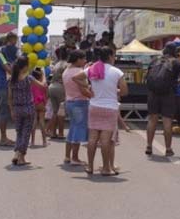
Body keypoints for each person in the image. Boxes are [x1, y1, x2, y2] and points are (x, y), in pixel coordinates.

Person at [76, 47, 127, 176]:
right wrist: (115, 91)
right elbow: (125, 91)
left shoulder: (92, 69)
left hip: (94, 107)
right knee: (105, 140)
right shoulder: (117, 72)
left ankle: (90, 167)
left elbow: (76, 78)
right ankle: (105, 168)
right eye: (114, 56)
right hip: (110, 108)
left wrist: (88, 90)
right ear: (110, 56)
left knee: (92, 139)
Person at [144, 43, 180, 157]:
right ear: (174, 51)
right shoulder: (177, 63)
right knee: (167, 121)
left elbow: (147, 76)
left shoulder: (154, 61)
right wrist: (177, 83)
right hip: (168, 94)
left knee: (152, 120)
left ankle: (148, 146)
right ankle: (168, 149)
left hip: (153, 93)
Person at [8, 56, 45, 166]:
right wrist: (43, 76)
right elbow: (43, 86)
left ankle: (16, 154)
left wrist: (12, 110)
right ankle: (20, 156)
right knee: (26, 133)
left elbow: (9, 97)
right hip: (28, 107)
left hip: (17, 108)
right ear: (25, 67)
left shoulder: (11, 80)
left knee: (19, 132)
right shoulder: (29, 78)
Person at [63, 50, 91, 165]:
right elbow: (83, 91)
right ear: (78, 59)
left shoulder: (66, 71)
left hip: (69, 102)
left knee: (73, 129)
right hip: (79, 102)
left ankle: (67, 156)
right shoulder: (80, 72)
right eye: (83, 58)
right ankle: (75, 157)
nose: (85, 61)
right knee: (78, 130)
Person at [0, 33, 19, 146]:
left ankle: (16, 137)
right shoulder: (1, 55)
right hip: (5, 86)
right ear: (8, 41)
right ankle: (3, 138)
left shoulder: (11, 54)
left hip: (13, 85)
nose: (14, 45)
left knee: (15, 111)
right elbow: (8, 70)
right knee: (4, 111)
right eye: (13, 42)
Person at [46, 47, 68, 141]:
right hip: (60, 87)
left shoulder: (56, 64)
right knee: (61, 112)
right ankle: (61, 133)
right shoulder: (67, 65)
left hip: (51, 87)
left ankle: (53, 132)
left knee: (55, 111)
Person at [31, 68, 48, 147]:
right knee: (42, 121)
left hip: (33, 102)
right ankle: (44, 141)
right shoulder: (43, 84)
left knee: (33, 122)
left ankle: (32, 141)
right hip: (41, 102)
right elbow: (47, 94)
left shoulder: (31, 83)